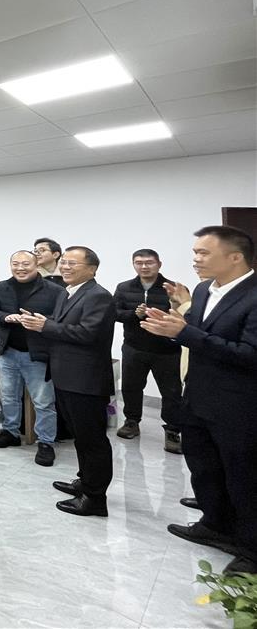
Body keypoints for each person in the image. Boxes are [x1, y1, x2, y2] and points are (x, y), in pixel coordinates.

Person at [142, 225, 256, 575]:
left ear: (235, 257)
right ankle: (214, 523)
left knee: (243, 477)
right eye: (195, 252)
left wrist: (185, 332)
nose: (195, 259)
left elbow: (250, 354)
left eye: (203, 253)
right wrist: (172, 326)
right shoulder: (204, 289)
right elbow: (196, 332)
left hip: (238, 404)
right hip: (197, 395)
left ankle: (251, 550)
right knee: (204, 467)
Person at [20, 246, 116, 517]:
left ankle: (95, 499)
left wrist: (46, 326)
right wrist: (43, 321)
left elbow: (88, 334)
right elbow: (63, 324)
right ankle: (85, 482)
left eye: (73, 263)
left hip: (86, 380)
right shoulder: (68, 291)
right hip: (66, 376)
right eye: (64, 262)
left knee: (92, 441)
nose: (65, 267)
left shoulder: (98, 296)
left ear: (92, 269)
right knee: (80, 438)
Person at [0, 250, 64, 466]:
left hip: (37, 355)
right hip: (8, 352)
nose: (20, 268)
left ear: (36, 264)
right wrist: (5, 317)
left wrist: (39, 321)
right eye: (15, 264)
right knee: (9, 396)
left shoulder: (54, 290)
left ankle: (46, 442)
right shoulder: (3, 286)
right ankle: (10, 432)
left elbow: (61, 318)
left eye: (25, 264)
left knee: (43, 402)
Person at [113, 249, 183, 453]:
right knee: (131, 387)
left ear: (159, 264)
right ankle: (131, 421)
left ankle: (173, 430)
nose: (144, 266)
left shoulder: (173, 288)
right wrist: (134, 314)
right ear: (133, 264)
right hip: (134, 347)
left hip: (167, 350)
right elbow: (114, 313)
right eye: (139, 262)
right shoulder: (124, 287)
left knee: (171, 392)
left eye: (149, 262)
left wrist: (166, 315)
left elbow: (185, 315)